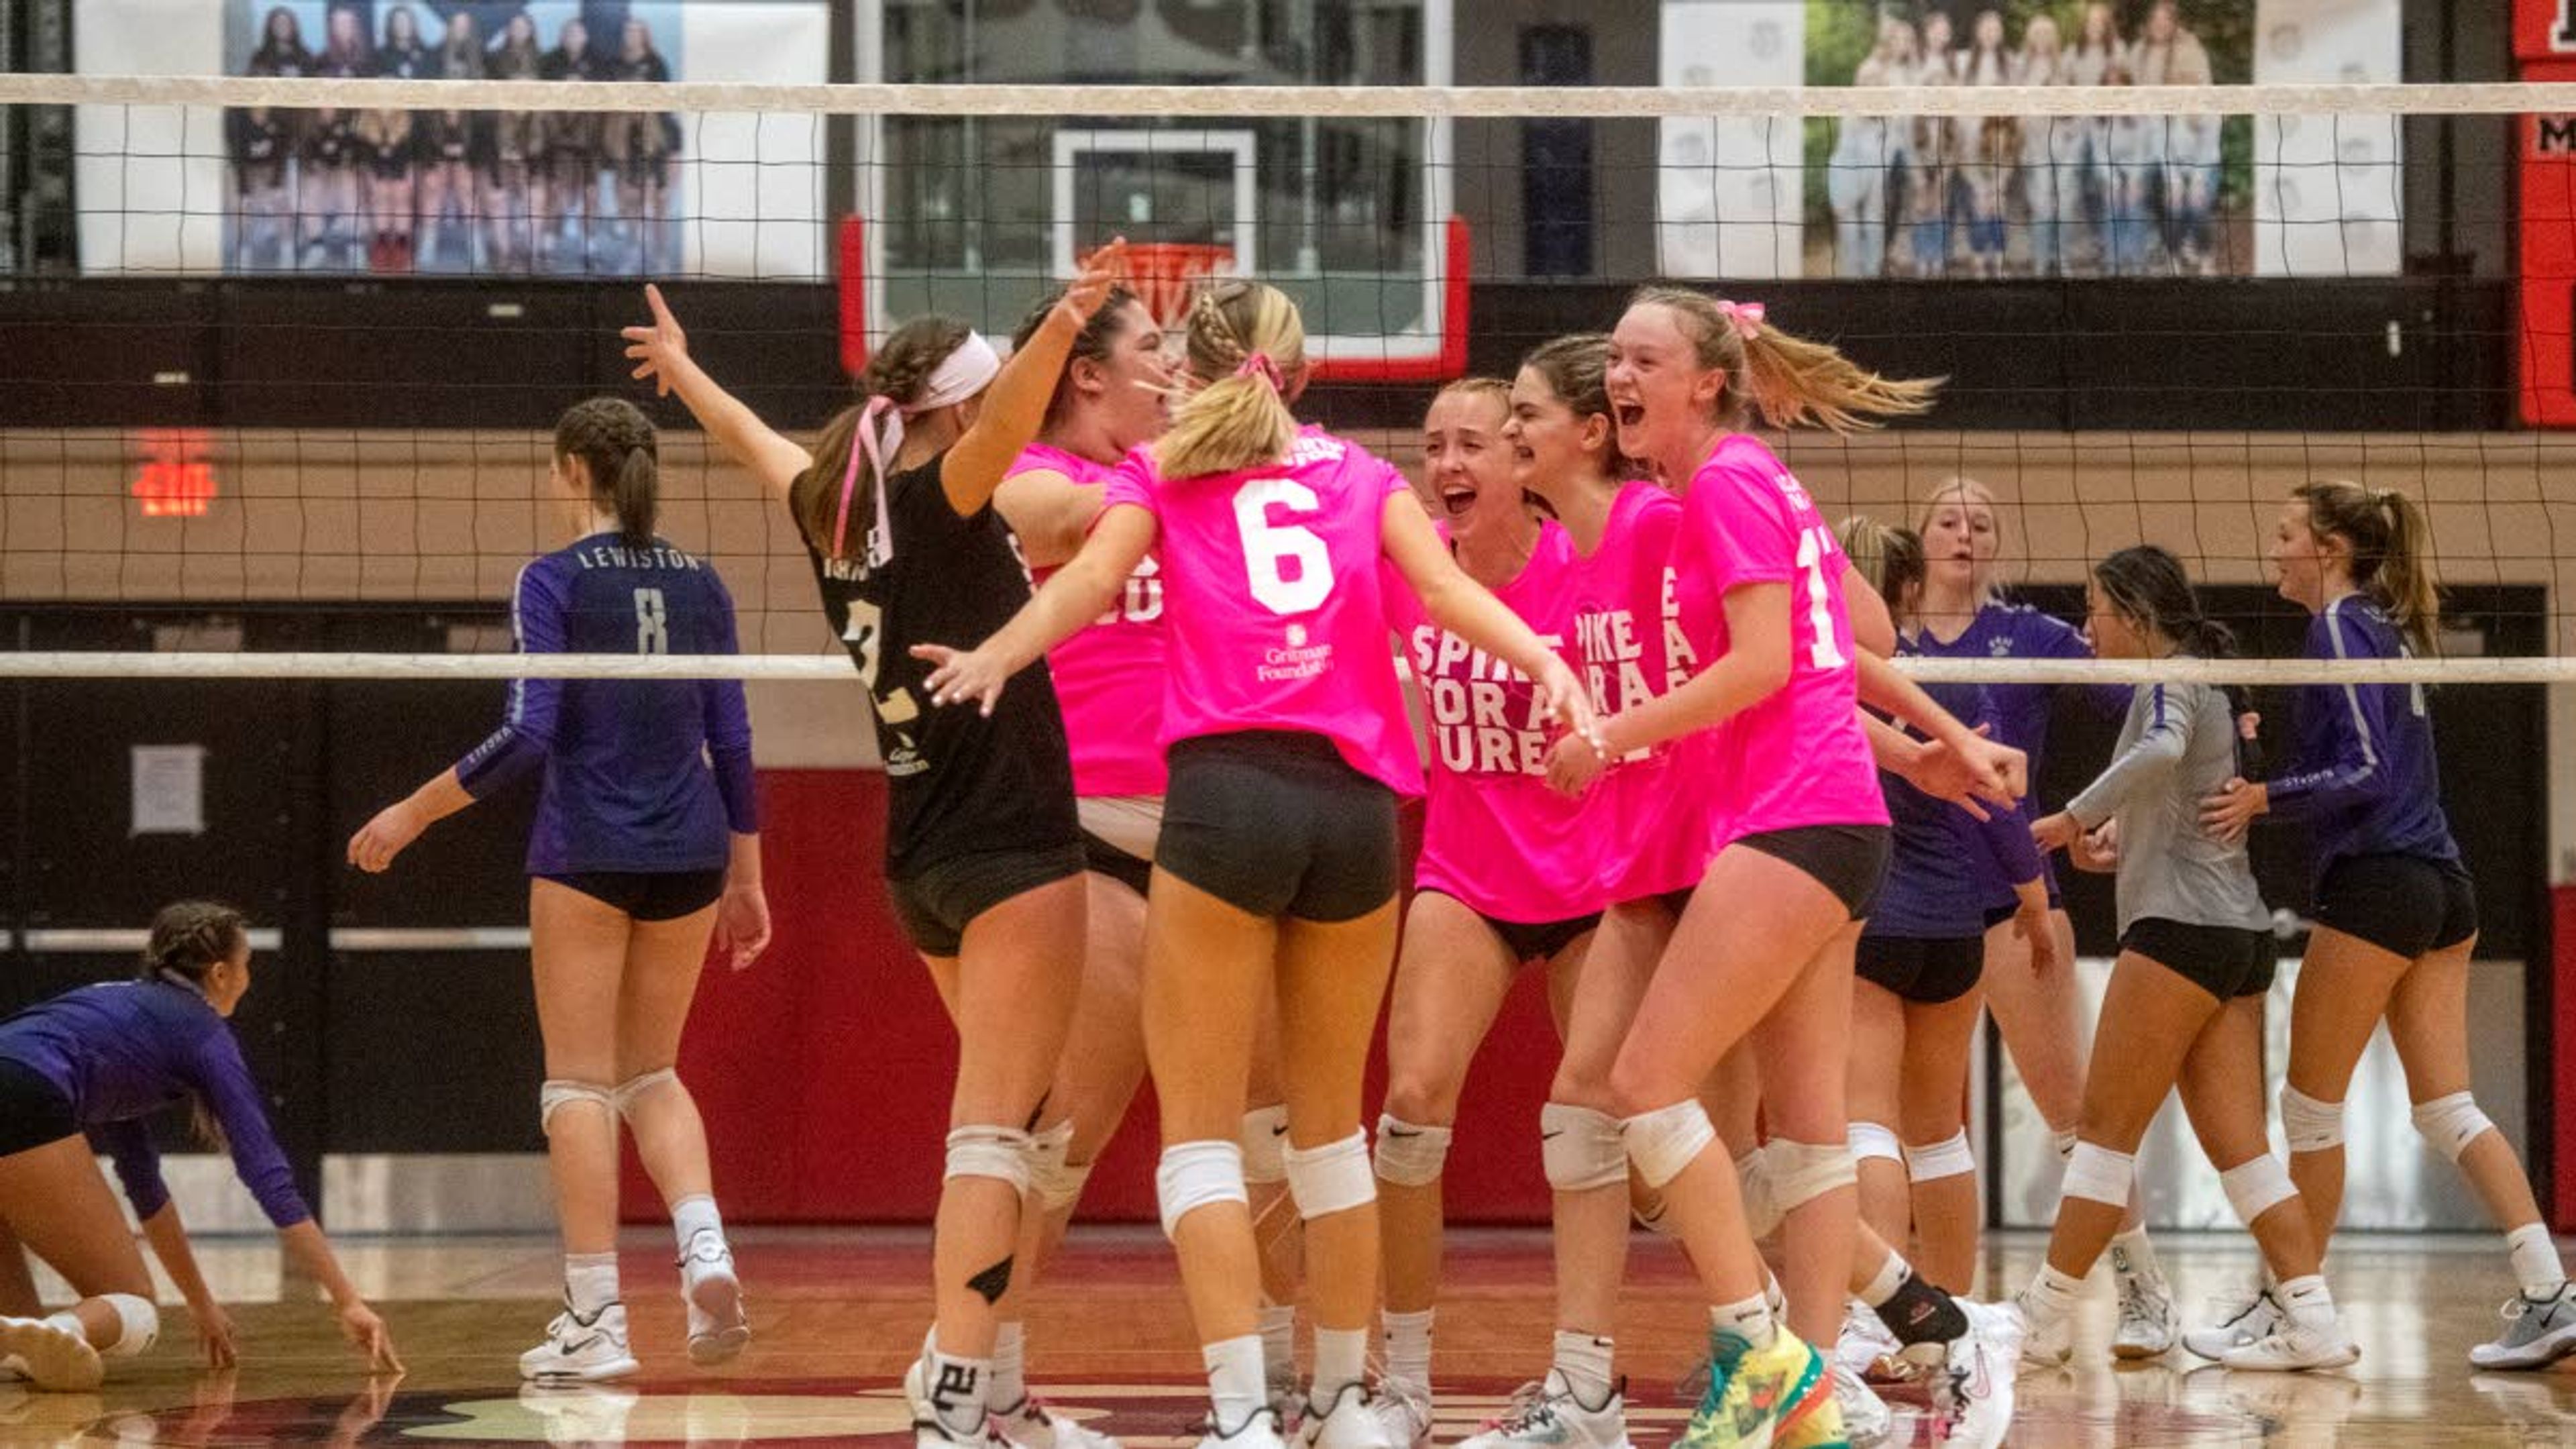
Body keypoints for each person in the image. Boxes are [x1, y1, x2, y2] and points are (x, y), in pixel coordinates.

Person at [914, 278, 1595, 1449]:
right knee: (1319, 1132)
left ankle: (1242, 1407)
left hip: (1216, 808)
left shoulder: (1170, 473)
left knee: (1205, 1135)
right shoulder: (1355, 478)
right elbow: (1440, 591)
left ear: (1196, 367)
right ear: (1302, 371)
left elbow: (1077, 583)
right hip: (1343, 813)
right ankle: (1342, 1400)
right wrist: (1554, 665)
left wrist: (994, 654)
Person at [622, 250, 1130, 1448]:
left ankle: (992, 1389)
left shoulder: (832, 503)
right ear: (955, 413)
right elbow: (1009, 415)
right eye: (988, 400)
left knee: (1027, 1121)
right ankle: (959, 1395)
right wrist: (1064, 319)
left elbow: (757, 440)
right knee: (999, 1133)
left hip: (922, 857)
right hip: (1012, 842)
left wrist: (689, 373)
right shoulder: (951, 492)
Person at [1560, 288, 2025, 1449]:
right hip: (1841, 815)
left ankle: (1760, 1354)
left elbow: (1767, 665)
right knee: (1811, 1136)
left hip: (1788, 818)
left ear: (1705, 381)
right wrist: (1939, 748)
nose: (1620, 375)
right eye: (1613, 358)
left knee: (1643, 1085)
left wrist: (1615, 734)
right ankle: (1811, 1391)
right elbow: (1834, 653)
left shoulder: (1721, 484)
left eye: (1644, 358)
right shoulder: (1755, 480)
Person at [348, 397, 771, 1382]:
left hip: (588, 847)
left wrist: (412, 812)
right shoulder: (704, 583)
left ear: (573, 470)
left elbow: (528, 733)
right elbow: (736, 739)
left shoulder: (552, 579)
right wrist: (749, 874)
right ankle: (705, 1249)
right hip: (694, 851)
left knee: (578, 1083)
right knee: (653, 1074)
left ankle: (597, 1321)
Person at [2198, 482, 2573, 1371]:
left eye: (2287, 534)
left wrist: (2266, 795)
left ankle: (2295, 1310)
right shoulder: (2383, 628)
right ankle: (2550, 1288)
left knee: (2308, 1109)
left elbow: (2363, 768)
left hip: (2382, 884)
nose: (2276, 549)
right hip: (2442, 883)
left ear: (2329, 548)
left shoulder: (2338, 626)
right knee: (2447, 1106)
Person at [2017, 545, 2351, 1371]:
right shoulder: (2203, 677)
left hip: (2180, 935)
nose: (2086, 625)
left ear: (2133, 613)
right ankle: (2312, 1316)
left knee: (2103, 1136)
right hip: (2238, 937)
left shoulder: (2172, 676)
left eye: (2095, 607)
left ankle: (2042, 1319)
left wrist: (2069, 817)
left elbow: (2163, 751)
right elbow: (2182, 786)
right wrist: (2119, 837)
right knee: (2240, 1145)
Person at [1371, 376, 1603, 1445]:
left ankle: (1585, 1377)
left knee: (1623, 1131)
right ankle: (1405, 1381)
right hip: (1466, 876)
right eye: (1433, 448)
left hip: (1597, 880)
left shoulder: (1587, 567)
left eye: (1472, 445)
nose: (1448, 465)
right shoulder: (1408, 567)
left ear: (1522, 462)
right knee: (1410, 1111)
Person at [1909, 476, 2177, 1358]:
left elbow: (2149, 706)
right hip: (1908, 907)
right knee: (1912, 1122)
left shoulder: (2032, 636)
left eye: (1982, 523)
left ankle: (2144, 1292)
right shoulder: (1890, 643)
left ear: (1998, 546)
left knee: (2074, 1115)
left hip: (2016, 907)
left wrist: (2116, 813)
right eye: (1949, 519)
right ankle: (1933, 1312)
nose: (1965, 533)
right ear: (1921, 537)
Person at [0, 902, 401, 1389]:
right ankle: (65, 1329)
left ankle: (29, 1340)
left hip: (17, 1074)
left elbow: (145, 1186)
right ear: (220, 973)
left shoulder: (126, 1013)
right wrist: (348, 1302)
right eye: (247, 964)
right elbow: (269, 1178)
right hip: (20, 1092)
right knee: (135, 1309)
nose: (248, 977)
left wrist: (202, 1304)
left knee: (17, 1345)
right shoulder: (203, 1032)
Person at [1836, 518, 2049, 1307]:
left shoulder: (1826, 674)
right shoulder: (1950, 682)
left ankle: (1885, 1319)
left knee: (1865, 1126)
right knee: (1939, 1133)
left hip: (1872, 917)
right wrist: (2032, 898)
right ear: (1912, 586)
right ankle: (1957, 1310)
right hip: (1955, 924)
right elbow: (1998, 803)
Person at [1829, 19, 1904, 280]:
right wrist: (1843, 199)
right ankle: (1852, 278)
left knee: (1874, 220)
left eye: (1876, 81)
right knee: (1849, 226)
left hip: (1874, 176)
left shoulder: (1889, 120)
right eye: (1867, 80)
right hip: (1847, 177)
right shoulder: (1850, 116)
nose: (1871, 82)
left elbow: (1888, 153)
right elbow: (1845, 156)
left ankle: (1872, 275)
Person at [603, 19, 678, 276]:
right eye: (627, 30)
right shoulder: (615, 65)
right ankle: (635, 253)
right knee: (630, 202)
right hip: (625, 143)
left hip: (659, 143)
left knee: (659, 205)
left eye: (636, 31)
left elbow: (666, 106)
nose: (631, 35)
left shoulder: (656, 64)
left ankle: (662, 256)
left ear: (645, 35)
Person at [1957, 10, 2017, 279]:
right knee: (1979, 204)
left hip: (2002, 145)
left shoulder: (2011, 64)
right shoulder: (1962, 62)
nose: (1991, 33)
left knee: (1998, 204)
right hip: (1970, 145)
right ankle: (1979, 260)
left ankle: (2000, 259)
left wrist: (2001, 181)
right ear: (1978, 32)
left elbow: (2016, 116)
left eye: (1996, 28)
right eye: (1986, 28)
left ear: (2001, 33)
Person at [541, 19, 604, 272]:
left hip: (589, 142)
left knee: (590, 194)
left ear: (585, 37)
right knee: (555, 192)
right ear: (562, 37)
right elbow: (540, 103)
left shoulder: (597, 62)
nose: (573, 37)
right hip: (556, 141)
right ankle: (547, 245)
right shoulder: (551, 61)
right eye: (568, 33)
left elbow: (607, 102)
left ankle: (589, 246)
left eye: (578, 33)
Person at [2016, 15, 2076, 277]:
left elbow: (2075, 109)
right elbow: (2014, 111)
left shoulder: (2065, 65)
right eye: (2036, 33)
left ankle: (2062, 257)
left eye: (2046, 34)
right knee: (2041, 206)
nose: (2041, 39)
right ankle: (2041, 261)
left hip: (2064, 144)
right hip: (2034, 147)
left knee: (2065, 205)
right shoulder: (2020, 66)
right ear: (2030, 37)